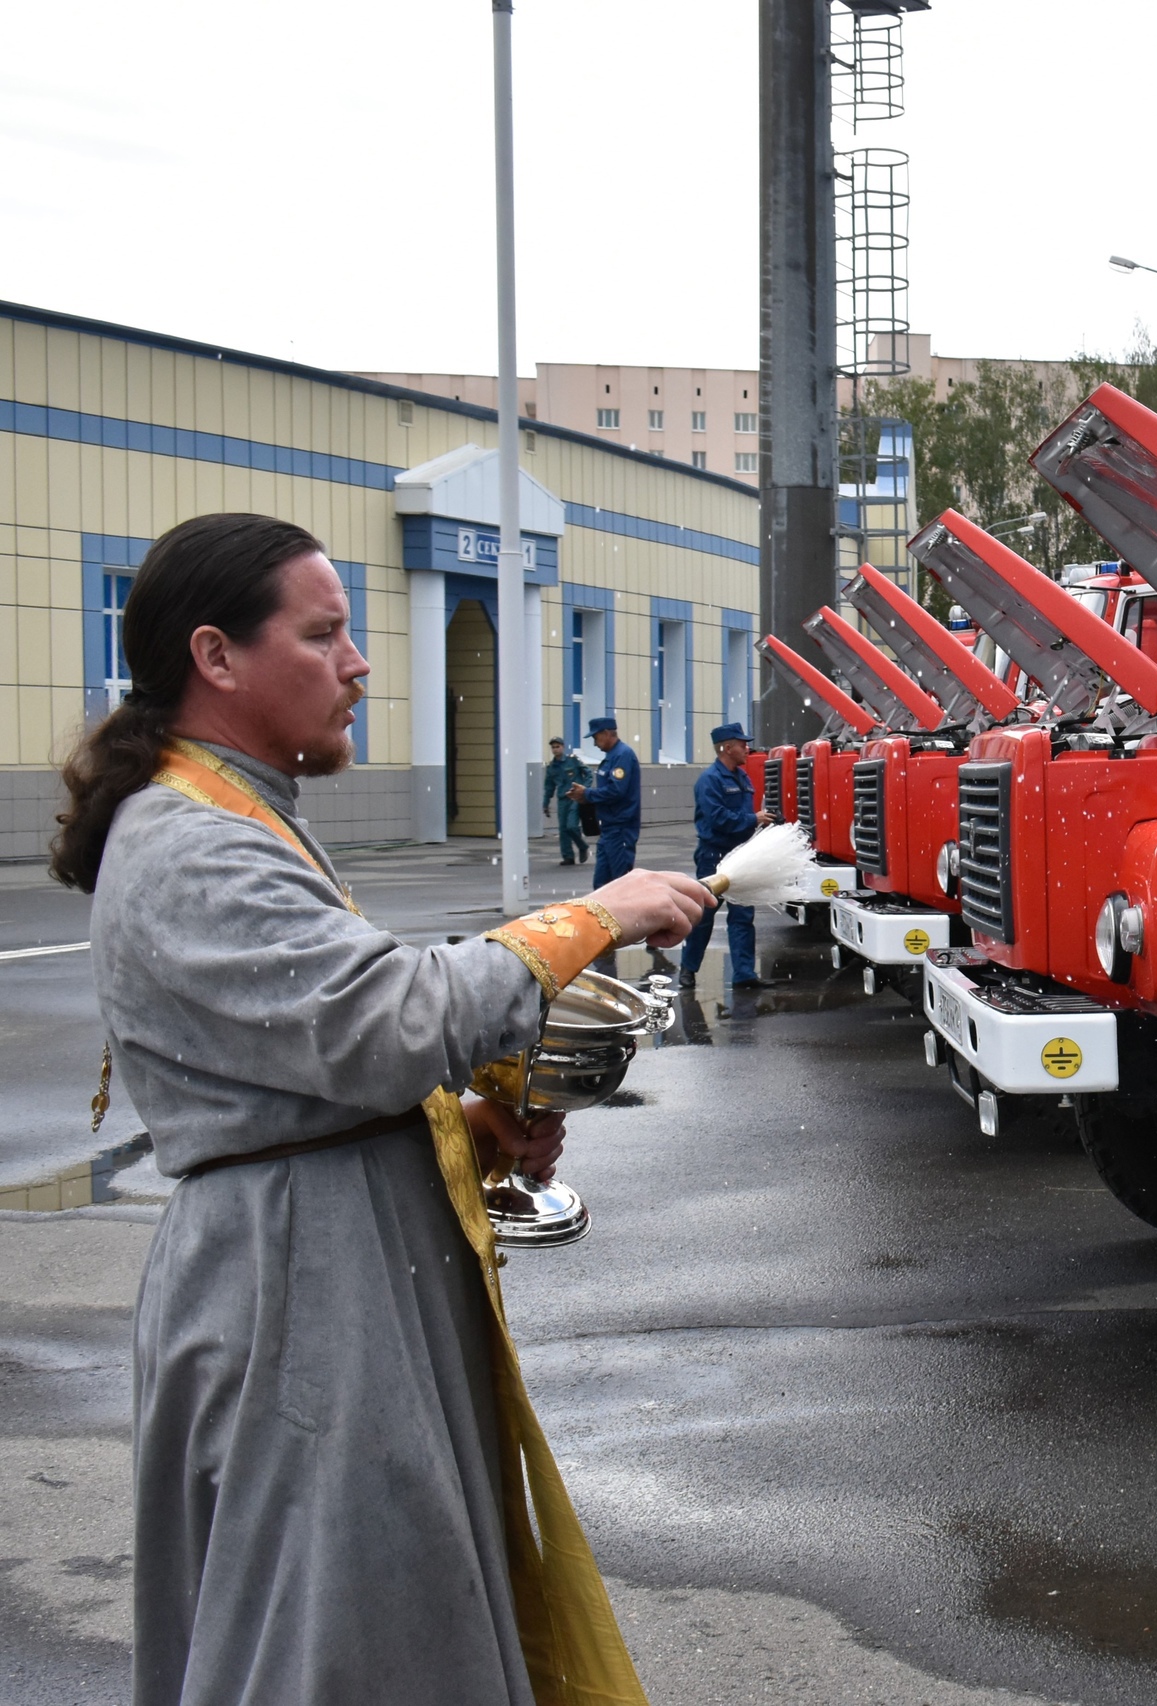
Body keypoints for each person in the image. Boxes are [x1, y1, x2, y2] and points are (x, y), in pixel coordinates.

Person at [53, 512, 710, 1706]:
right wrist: (593, 916)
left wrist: (457, 1125)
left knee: (378, 1613)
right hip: (295, 1296)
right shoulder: (190, 841)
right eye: (324, 633)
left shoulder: (231, 808)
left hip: (320, 1266)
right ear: (217, 656)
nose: (358, 662)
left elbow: (297, 1071)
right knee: (333, 1640)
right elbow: (383, 1021)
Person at [679, 722, 774, 989]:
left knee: (743, 915)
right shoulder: (710, 780)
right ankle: (688, 969)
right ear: (727, 748)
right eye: (742, 744)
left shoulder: (741, 777)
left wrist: (763, 822)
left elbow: (743, 818)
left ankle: (744, 975)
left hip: (740, 855)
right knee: (704, 915)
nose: (747, 748)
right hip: (714, 857)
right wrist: (751, 819)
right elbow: (718, 818)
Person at [570, 715, 640, 886]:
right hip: (609, 829)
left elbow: (617, 791)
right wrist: (585, 797)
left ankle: (624, 914)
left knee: (620, 886)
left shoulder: (622, 756)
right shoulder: (612, 757)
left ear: (608, 733)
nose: (594, 743)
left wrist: (587, 794)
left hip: (620, 828)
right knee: (602, 888)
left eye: (596, 737)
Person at [541, 735, 589, 866]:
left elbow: (588, 773)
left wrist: (585, 789)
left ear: (563, 747)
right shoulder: (552, 767)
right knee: (563, 829)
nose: (555, 749)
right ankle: (568, 856)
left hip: (575, 797)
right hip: (563, 799)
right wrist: (545, 804)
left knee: (572, 826)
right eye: (553, 747)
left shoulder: (572, 761)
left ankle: (582, 846)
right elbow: (549, 787)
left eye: (558, 746)